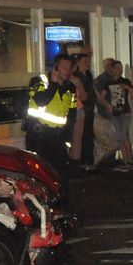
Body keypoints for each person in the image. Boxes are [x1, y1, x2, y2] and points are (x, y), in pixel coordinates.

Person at [25, 54, 76, 195]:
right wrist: (53, 84)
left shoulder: (70, 87)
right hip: (39, 135)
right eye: (63, 67)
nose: (66, 71)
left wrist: (69, 137)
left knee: (61, 172)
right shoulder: (39, 81)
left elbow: (71, 113)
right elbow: (41, 101)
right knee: (39, 172)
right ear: (56, 67)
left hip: (58, 137)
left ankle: (61, 201)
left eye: (69, 68)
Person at [95, 59, 133, 170]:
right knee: (119, 137)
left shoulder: (125, 81)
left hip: (125, 112)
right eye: (117, 68)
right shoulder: (109, 83)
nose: (120, 70)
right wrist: (108, 105)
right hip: (115, 113)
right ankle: (126, 160)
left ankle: (130, 160)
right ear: (113, 69)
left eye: (121, 68)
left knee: (124, 135)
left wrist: (127, 88)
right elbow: (101, 98)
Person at [71, 52, 97, 170]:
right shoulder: (76, 77)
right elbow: (82, 94)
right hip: (82, 107)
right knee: (82, 135)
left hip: (89, 107)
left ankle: (88, 160)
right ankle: (82, 161)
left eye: (88, 62)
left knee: (89, 135)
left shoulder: (88, 74)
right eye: (85, 62)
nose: (88, 64)